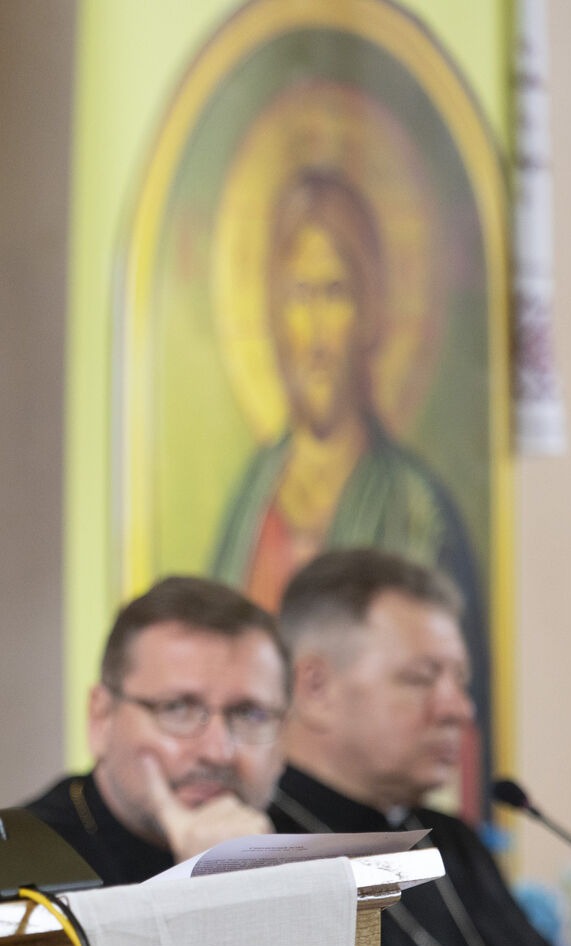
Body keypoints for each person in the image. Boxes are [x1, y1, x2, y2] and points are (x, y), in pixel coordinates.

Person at [27, 575, 475, 946]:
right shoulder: (22, 864)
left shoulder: (303, 863)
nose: (217, 749)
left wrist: (254, 884)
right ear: (101, 717)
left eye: (249, 714)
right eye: (179, 709)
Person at [271, 547, 571, 946]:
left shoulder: (453, 841)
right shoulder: (266, 854)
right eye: (421, 679)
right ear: (315, 687)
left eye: (460, 682)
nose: (458, 709)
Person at [209, 169, 491, 800]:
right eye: (296, 294)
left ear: (369, 315)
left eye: (334, 292)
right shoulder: (252, 501)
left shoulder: (418, 509)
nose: (312, 332)